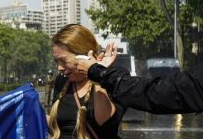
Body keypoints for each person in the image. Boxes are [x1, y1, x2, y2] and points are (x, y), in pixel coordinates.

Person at [70, 46, 203, 114]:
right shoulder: (63, 84)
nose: (60, 68)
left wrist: (98, 72)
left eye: (64, 61)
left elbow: (160, 93)